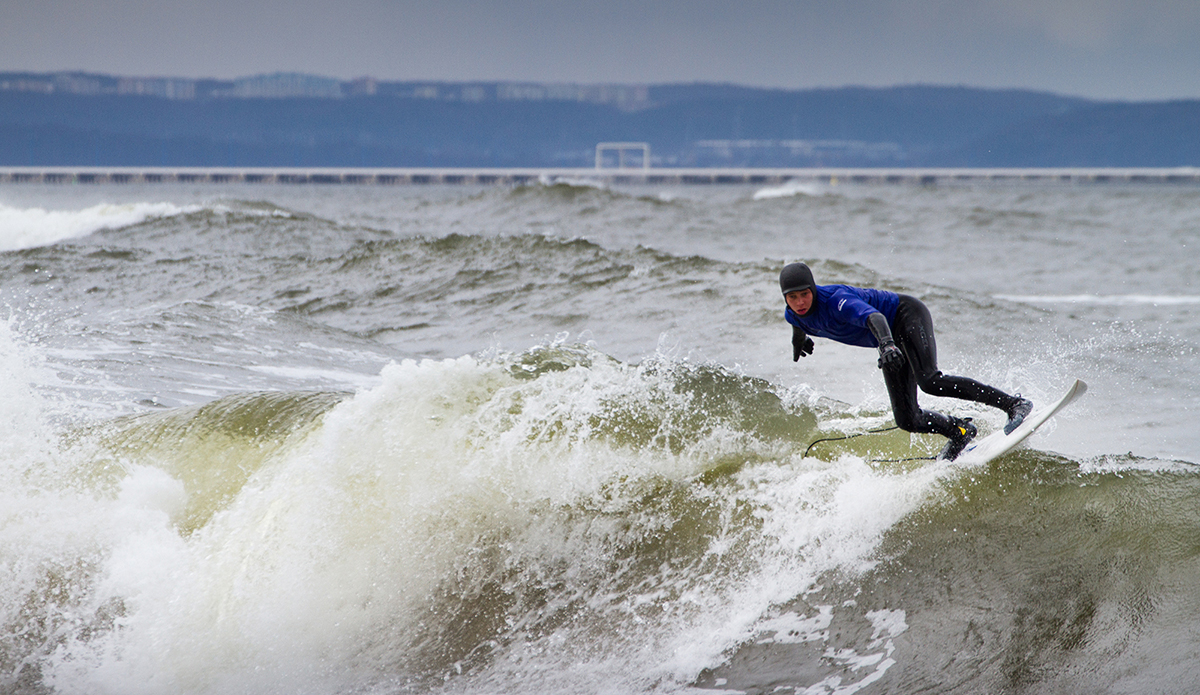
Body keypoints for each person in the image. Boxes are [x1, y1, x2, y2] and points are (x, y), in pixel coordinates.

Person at [780, 262, 1032, 460]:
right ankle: (959, 431)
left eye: (805, 294)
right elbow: (797, 322)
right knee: (907, 419)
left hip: (904, 316)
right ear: (785, 299)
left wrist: (887, 344)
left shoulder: (835, 301)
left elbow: (874, 317)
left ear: (813, 289)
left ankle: (1014, 404)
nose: (800, 302)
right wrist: (798, 340)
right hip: (888, 342)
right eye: (793, 297)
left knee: (930, 381)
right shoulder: (794, 315)